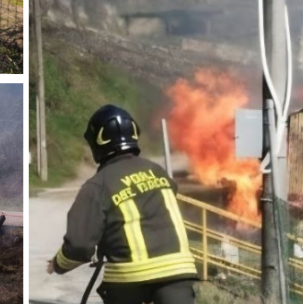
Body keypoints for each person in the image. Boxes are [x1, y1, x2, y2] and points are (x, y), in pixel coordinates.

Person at [47, 105, 198, 304]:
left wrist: (58, 264)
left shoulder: (97, 185)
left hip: (129, 280)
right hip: (179, 274)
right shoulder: (158, 172)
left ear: (97, 143)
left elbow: (79, 246)